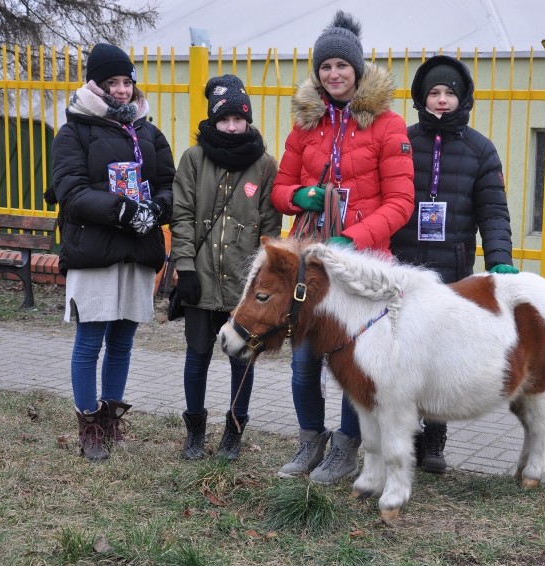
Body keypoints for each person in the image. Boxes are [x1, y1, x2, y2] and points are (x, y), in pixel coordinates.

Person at [271, 10, 415, 484]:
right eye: (325, 67)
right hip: (311, 262)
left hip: (361, 264)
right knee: (304, 359)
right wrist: (300, 196)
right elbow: (279, 189)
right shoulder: (304, 127)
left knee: (353, 364)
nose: (334, 75)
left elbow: (400, 203)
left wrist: (352, 239)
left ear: (357, 70)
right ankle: (310, 440)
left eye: (342, 66)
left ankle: (346, 449)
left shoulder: (388, 126)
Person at [391, 55, 517, 474]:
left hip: (452, 269)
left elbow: (493, 213)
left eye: (449, 93)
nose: (442, 100)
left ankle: (434, 441)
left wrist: (499, 259)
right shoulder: (403, 142)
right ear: (421, 97)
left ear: (461, 98)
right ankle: (402, 438)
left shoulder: (481, 150)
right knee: (400, 354)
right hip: (403, 263)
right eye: (434, 92)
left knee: (439, 356)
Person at [51, 43, 175, 461]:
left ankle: (111, 420)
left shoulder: (148, 131)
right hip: (95, 252)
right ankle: (88, 426)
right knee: (90, 342)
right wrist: (121, 210)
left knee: (122, 342)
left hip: (138, 251)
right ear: (96, 84)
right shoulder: (74, 131)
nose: (122, 90)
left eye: (127, 82)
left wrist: (157, 208)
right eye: (112, 82)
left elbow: (170, 184)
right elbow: (70, 192)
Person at [170, 75, 281, 461]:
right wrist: (184, 267)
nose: (232, 127)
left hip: (243, 286)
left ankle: (233, 434)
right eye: (225, 119)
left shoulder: (265, 164)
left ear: (247, 120)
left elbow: (269, 229)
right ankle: (194, 433)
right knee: (197, 354)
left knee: (242, 359)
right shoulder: (193, 159)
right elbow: (182, 215)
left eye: (239, 119)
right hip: (199, 279)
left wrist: (261, 282)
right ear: (213, 121)